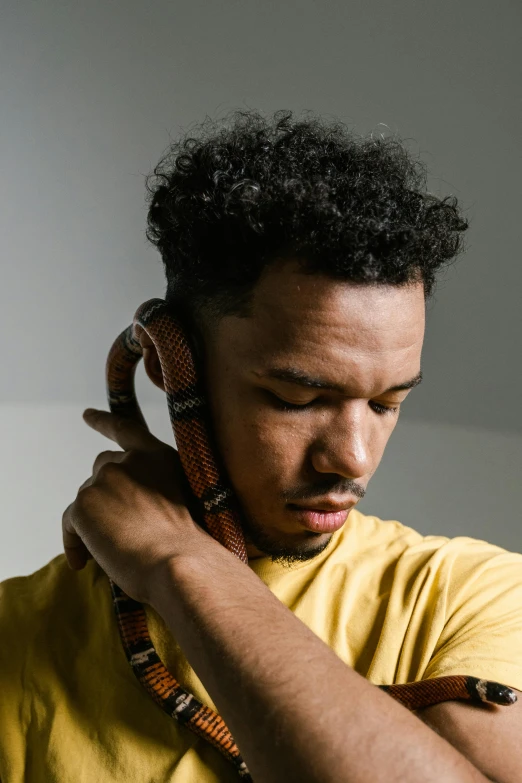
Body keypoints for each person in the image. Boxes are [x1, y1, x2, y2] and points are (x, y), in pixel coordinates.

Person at [1, 109, 521, 783]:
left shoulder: (472, 594)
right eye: (297, 400)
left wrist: (179, 561)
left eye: (388, 402)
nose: (354, 458)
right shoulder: (15, 639)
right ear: (169, 364)